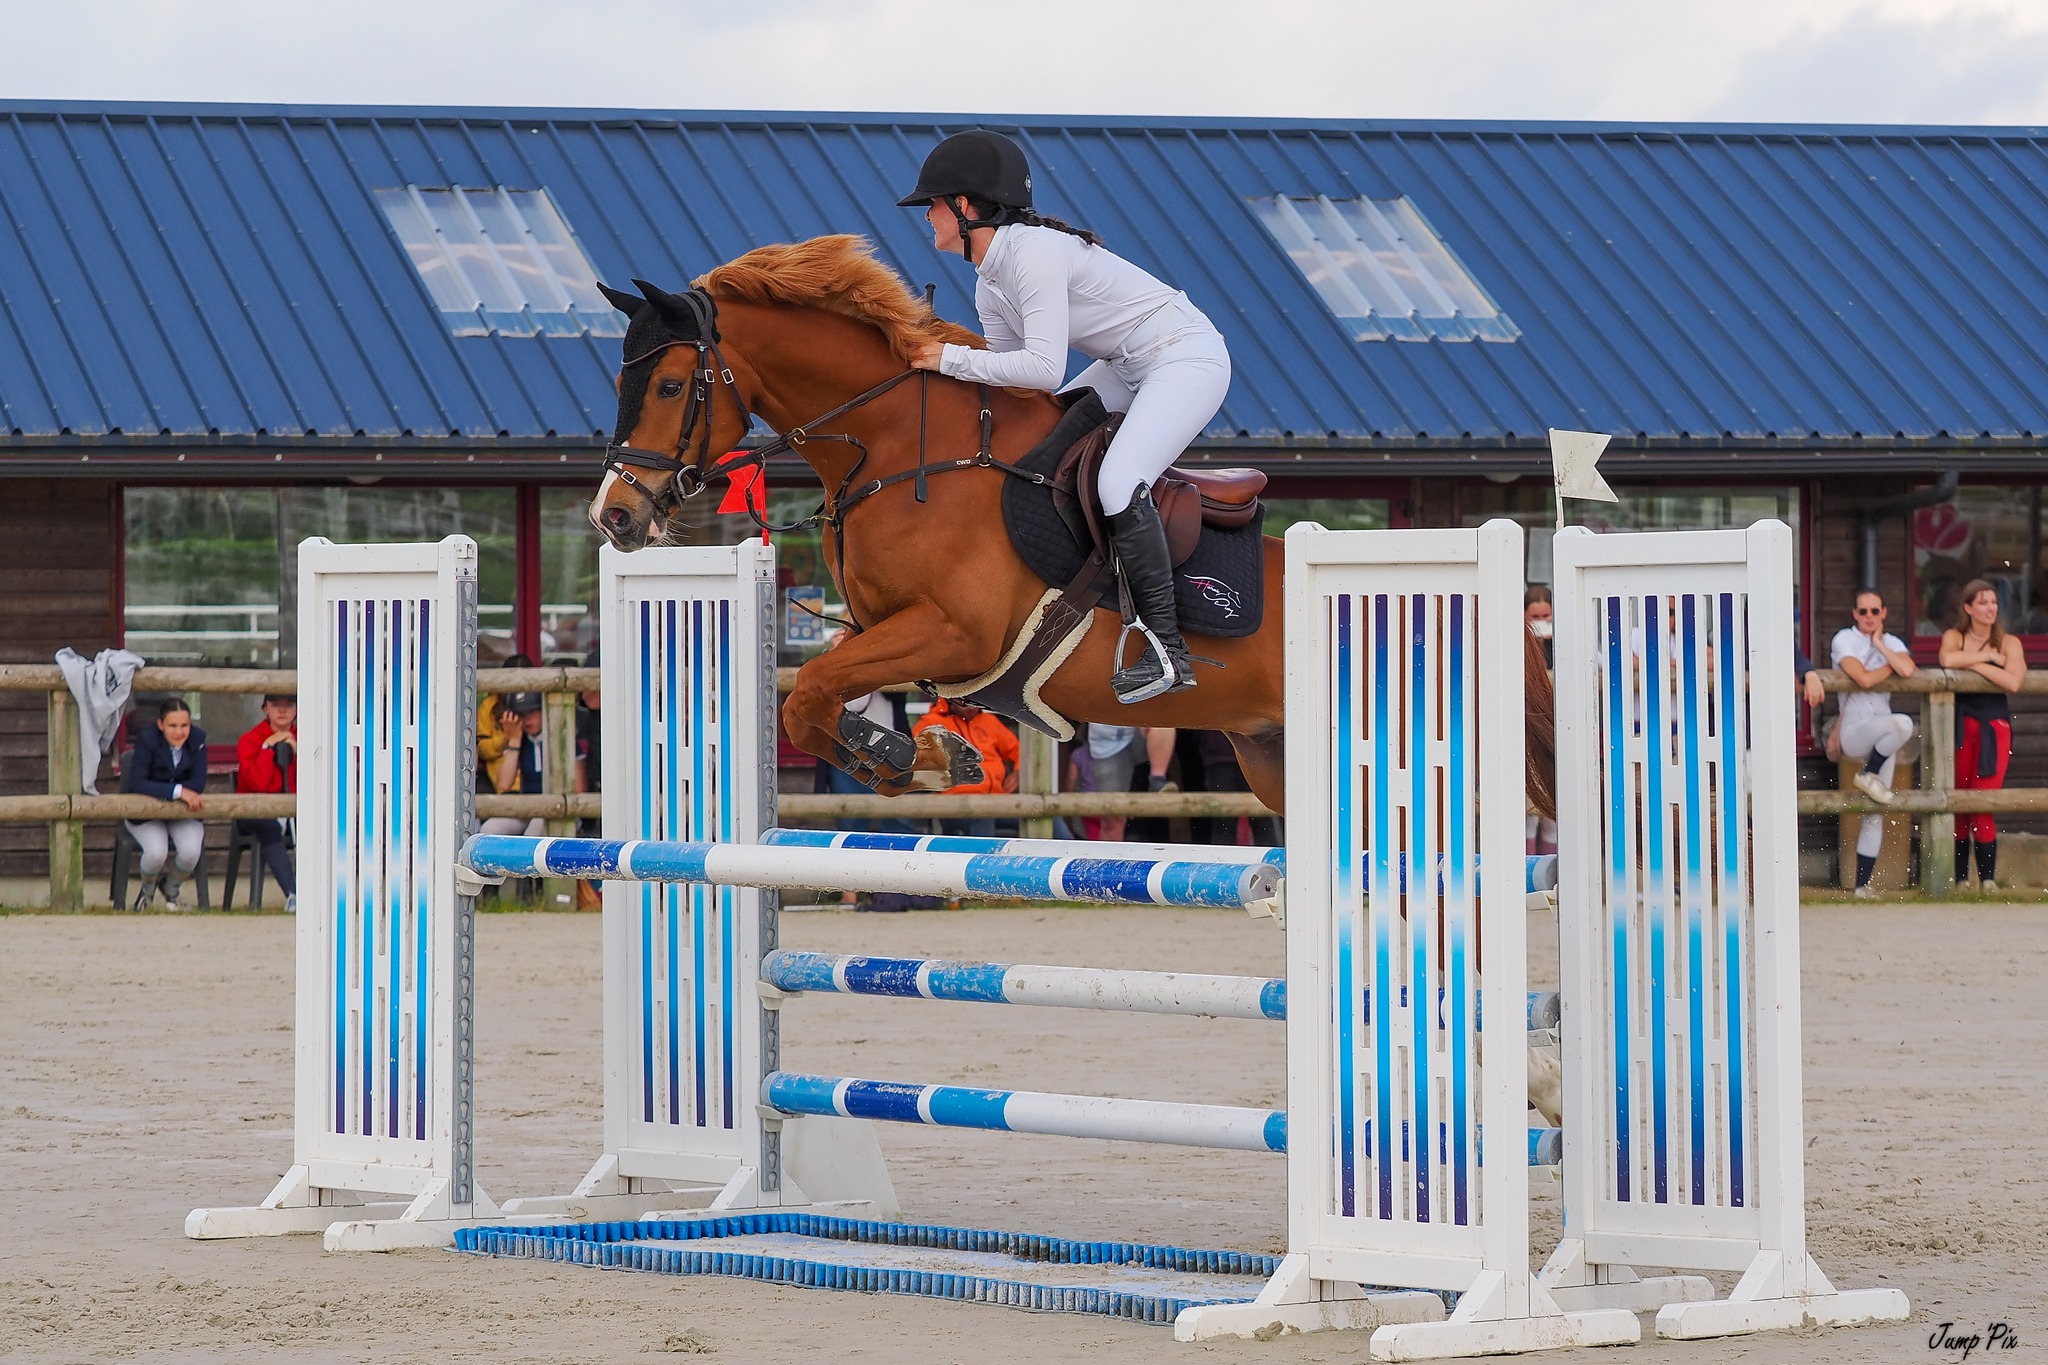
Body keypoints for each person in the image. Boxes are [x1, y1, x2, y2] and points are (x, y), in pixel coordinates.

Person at [899, 130, 1232, 704]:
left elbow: (1043, 370)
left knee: (1118, 481)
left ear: (966, 207)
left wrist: (946, 357)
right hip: (1126, 365)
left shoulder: (1031, 252)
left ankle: (1164, 645)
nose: (927, 215)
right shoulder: (988, 281)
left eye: (933, 203)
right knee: (1043, 443)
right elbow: (1009, 379)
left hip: (1185, 357)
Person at [1831, 589, 1920, 898]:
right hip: (1856, 730)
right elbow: (1863, 679)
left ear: (1884, 613)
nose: (1869, 616)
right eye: (1863, 611)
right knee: (1904, 722)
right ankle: (1868, 773)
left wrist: (1880, 644)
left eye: (1874, 611)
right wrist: (1889, 666)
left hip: (1884, 738)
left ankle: (1861, 886)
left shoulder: (1891, 642)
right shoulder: (1844, 639)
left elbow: (1909, 669)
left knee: (1876, 810)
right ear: (1855, 614)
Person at [1939, 579, 2028, 891]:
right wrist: (1987, 660)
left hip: (1994, 728)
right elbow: (1948, 660)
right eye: (1983, 603)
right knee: (1961, 801)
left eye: (1994, 602)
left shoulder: (2008, 641)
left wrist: (1975, 665)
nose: (1991, 608)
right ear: (1968, 608)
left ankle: (1988, 880)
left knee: (1981, 801)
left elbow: (2013, 681)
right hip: (1963, 727)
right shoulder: (1955, 635)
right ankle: (1962, 879)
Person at [122, 697, 207, 910]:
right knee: (156, 852)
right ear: (160, 725)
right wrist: (177, 791)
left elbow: (198, 782)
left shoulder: (198, 741)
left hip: (182, 813)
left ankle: (170, 889)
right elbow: (138, 782)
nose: (179, 732)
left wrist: (179, 795)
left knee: (190, 852)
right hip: (147, 812)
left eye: (184, 725)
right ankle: (147, 892)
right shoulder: (147, 740)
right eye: (172, 725)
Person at [911, 697, 1019, 838]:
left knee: (1043, 814)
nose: (970, 707)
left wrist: (1018, 772)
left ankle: (1054, 856)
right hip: (954, 804)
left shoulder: (990, 721)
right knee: (981, 815)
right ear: (950, 700)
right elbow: (918, 760)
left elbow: (1017, 749)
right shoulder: (931, 724)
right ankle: (983, 858)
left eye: (974, 702)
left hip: (996, 801)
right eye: (965, 703)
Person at [234, 692, 298, 913]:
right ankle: (293, 894)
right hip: (255, 810)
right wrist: (268, 748)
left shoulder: (306, 737)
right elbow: (257, 784)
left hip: (295, 809)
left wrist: (297, 753)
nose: (282, 711)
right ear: (265, 709)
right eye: (276, 705)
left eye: (288, 705)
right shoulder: (249, 740)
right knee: (268, 826)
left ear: (296, 710)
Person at [478, 691, 545, 839]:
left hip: (552, 807)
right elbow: (504, 784)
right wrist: (514, 739)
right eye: (520, 714)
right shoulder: (522, 740)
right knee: (489, 829)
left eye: (532, 712)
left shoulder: (556, 734)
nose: (526, 719)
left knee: (533, 832)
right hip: (526, 807)